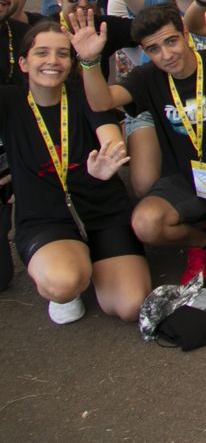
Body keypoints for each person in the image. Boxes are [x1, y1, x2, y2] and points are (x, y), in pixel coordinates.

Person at [80, 1, 206, 299]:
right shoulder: (146, 77)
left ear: (184, 33)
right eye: (154, 49)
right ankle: (203, 239)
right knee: (145, 223)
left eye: (171, 41)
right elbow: (102, 101)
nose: (166, 55)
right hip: (186, 181)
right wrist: (89, 61)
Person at [3, 20, 150, 324]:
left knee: (131, 306)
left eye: (62, 54)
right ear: (23, 63)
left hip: (102, 210)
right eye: (41, 53)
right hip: (46, 219)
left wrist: (108, 160)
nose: (52, 62)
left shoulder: (85, 95)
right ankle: (70, 276)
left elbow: (110, 136)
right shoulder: (10, 103)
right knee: (64, 281)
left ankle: (90, 261)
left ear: (71, 63)